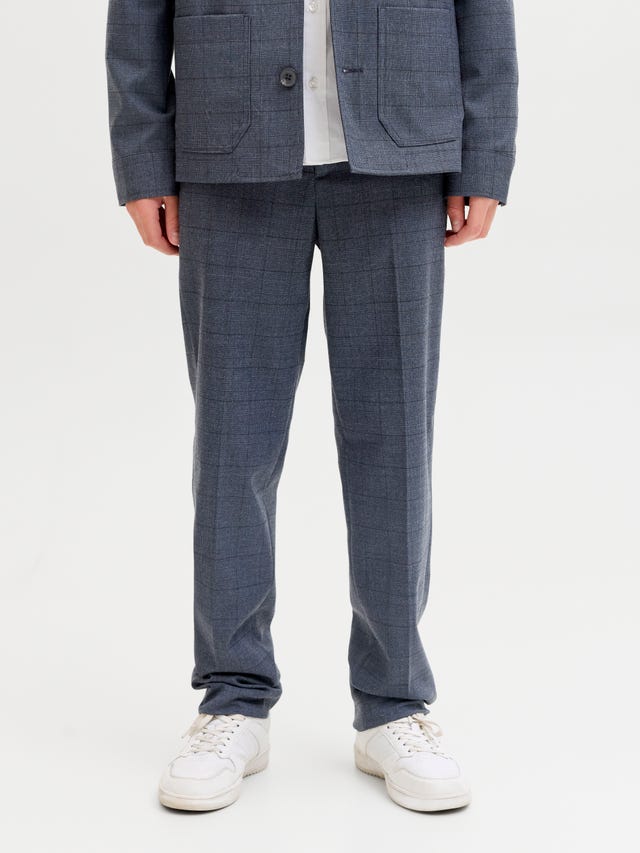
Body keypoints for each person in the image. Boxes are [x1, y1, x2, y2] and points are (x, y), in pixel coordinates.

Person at [105, 0, 518, 813]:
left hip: (399, 152)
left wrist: (487, 153)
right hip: (231, 153)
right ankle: (232, 696)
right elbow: (136, 20)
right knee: (234, 443)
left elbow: (484, 13)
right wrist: (143, 160)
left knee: (395, 440)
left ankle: (394, 702)